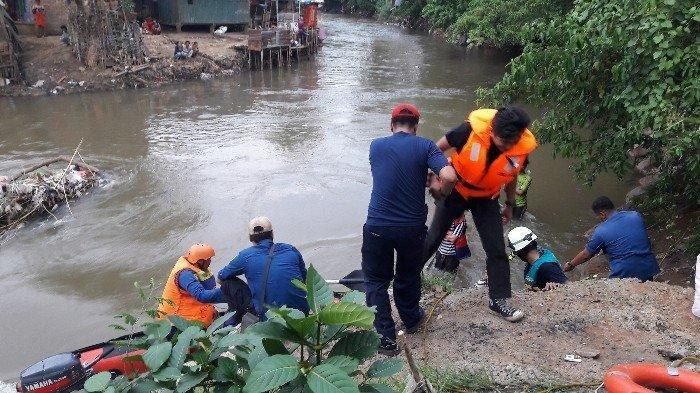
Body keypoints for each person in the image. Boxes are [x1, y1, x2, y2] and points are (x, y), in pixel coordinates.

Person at [423, 106, 538, 322]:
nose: (507, 147)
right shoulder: (468, 131)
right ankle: (405, 284)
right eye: (503, 141)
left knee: (496, 249)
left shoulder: (519, 148)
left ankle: (499, 300)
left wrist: (510, 204)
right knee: (432, 240)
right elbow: (436, 149)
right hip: (457, 190)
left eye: (512, 142)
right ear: (492, 130)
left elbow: (511, 176)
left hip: (487, 198)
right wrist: (436, 174)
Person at [362, 103, 457, 356]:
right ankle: (412, 321)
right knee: (408, 275)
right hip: (411, 228)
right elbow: (448, 176)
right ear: (416, 127)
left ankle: (386, 339)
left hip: (377, 226)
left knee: (375, 281)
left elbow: (388, 174)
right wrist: (440, 193)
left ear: (391, 125)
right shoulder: (426, 146)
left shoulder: (376, 146)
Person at [218, 217, 309, 319]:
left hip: (270, 318)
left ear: (250, 238)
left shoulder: (245, 256)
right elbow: (305, 278)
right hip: (302, 313)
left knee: (227, 282)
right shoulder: (290, 249)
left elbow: (221, 276)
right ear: (272, 234)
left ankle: (236, 317)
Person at [564, 196, 660, 281]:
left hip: (625, 274)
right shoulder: (635, 215)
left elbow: (586, 255)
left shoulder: (601, 231)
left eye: (599, 216)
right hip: (649, 268)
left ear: (602, 214)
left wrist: (571, 265)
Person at [157, 243, 223, 327]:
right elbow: (201, 295)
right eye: (209, 259)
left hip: (194, 311)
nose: (210, 261)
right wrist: (227, 293)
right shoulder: (185, 275)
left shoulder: (198, 268)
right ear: (200, 261)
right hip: (177, 320)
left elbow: (210, 286)